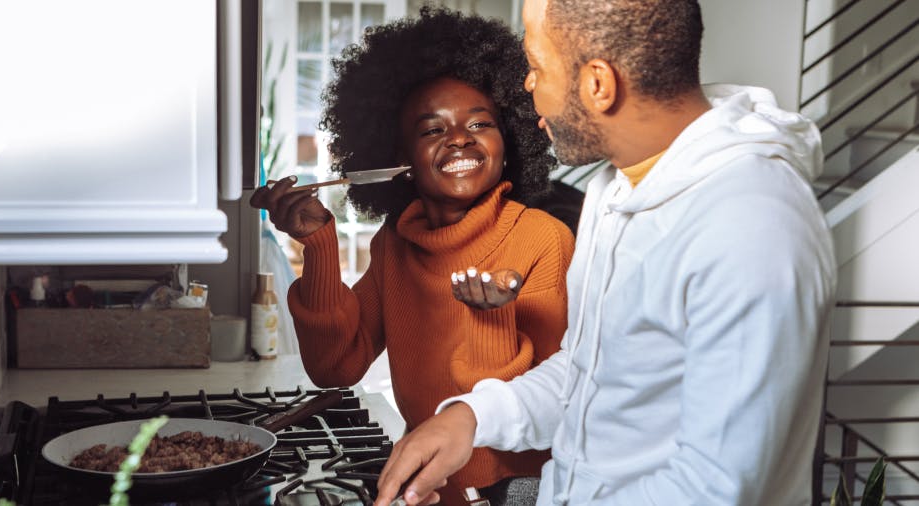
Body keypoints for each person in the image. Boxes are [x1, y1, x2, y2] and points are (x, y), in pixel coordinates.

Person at [373, 0, 838, 504]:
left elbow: (715, 488)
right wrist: (472, 417)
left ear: (598, 84)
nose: (527, 87)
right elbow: (588, 370)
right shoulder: (613, 190)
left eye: (536, 67)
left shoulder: (751, 224)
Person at [249, 7, 575, 504]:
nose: (460, 137)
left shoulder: (544, 239)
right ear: (398, 159)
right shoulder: (395, 244)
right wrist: (318, 246)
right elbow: (336, 368)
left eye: (480, 122)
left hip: (517, 490)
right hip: (426, 484)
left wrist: (491, 320)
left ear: (509, 144)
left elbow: (562, 399)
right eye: (432, 129)